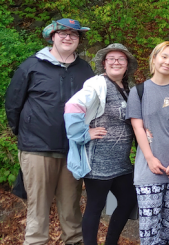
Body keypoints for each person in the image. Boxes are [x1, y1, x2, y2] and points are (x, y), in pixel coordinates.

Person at [5, 18, 94, 245]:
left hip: (73, 151)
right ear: (52, 36)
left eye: (73, 34)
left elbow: (92, 106)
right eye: (62, 33)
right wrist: (27, 134)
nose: (67, 37)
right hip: (37, 150)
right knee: (38, 212)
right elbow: (13, 104)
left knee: (72, 211)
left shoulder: (85, 69)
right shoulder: (32, 65)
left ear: (78, 40)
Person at [64, 43, 138, 245]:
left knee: (128, 200)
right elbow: (72, 106)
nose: (116, 62)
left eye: (121, 59)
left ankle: (111, 242)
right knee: (95, 207)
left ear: (127, 65)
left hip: (121, 163)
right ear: (104, 64)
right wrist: (82, 133)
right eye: (111, 58)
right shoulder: (98, 84)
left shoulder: (128, 89)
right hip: (99, 162)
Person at [126, 41, 169, 244]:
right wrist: (150, 158)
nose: (168, 62)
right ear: (154, 58)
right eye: (164, 56)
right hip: (148, 168)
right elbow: (138, 127)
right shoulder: (138, 92)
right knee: (149, 226)